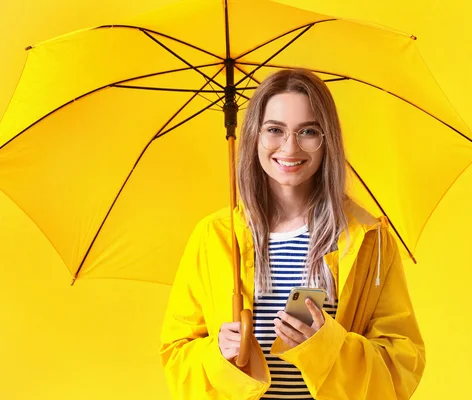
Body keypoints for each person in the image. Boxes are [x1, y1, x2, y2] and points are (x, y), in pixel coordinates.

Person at [159, 69, 425, 400]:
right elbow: (176, 359)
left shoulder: (367, 238)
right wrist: (218, 355)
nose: (290, 147)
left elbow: (401, 368)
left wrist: (327, 345)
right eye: (274, 130)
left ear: (327, 139)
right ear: (254, 135)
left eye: (308, 131)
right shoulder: (214, 236)